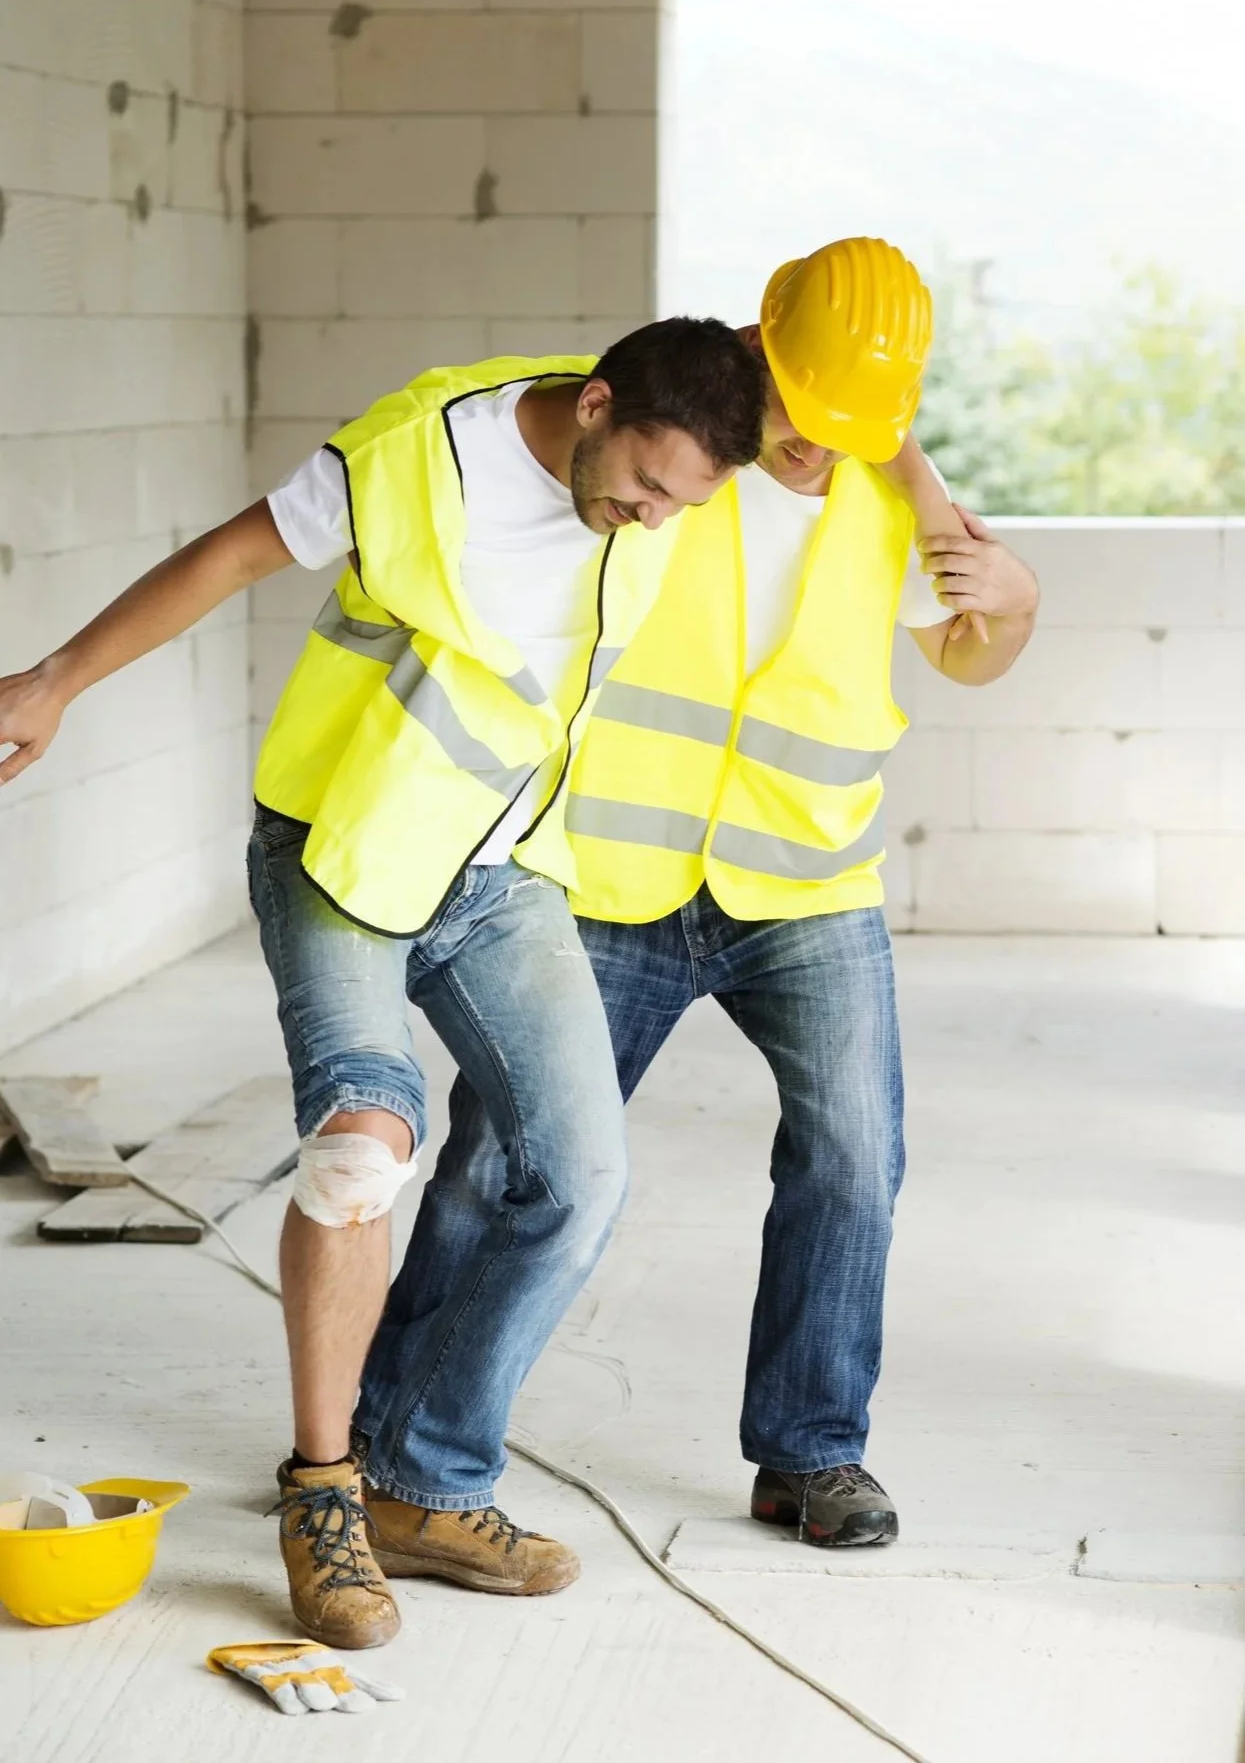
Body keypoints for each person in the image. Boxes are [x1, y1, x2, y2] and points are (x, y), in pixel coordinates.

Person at [0, 319, 766, 1645]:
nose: (649, 522)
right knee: (362, 1152)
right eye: (646, 487)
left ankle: (424, 1479)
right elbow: (233, 552)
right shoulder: (417, 459)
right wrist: (55, 681)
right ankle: (324, 1496)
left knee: (581, 1176)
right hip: (341, 848)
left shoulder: (653, 460)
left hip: (503, 868)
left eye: (677, 507)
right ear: (595, 407)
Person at [357, 237, 1040, 1557]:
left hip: (805, 880)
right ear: (752, 348)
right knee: (504, 1161)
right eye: (801, 412)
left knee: (853, 1159)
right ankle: (385, 1440)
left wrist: (1014, 600)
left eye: (856, 428)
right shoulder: (670, 460)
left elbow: (971, 653)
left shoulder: (891, 490)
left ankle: (811, 1455)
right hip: (615, 878)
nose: (815, 449)